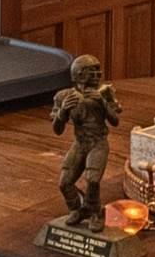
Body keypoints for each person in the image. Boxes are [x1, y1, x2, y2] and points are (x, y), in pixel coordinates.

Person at [48, 54, 124, 225]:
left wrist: (103, 104)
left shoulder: (104, 93)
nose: (98, 74)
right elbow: (57, 130)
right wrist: (63, 111)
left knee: (93, 180)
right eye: (93, 70)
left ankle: (95, 211)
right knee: (64, 182)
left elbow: (115, 121)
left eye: (98, 70)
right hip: (80, 143)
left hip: (98, 142)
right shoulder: (64, 96)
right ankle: (77, 209)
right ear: (80, 73)